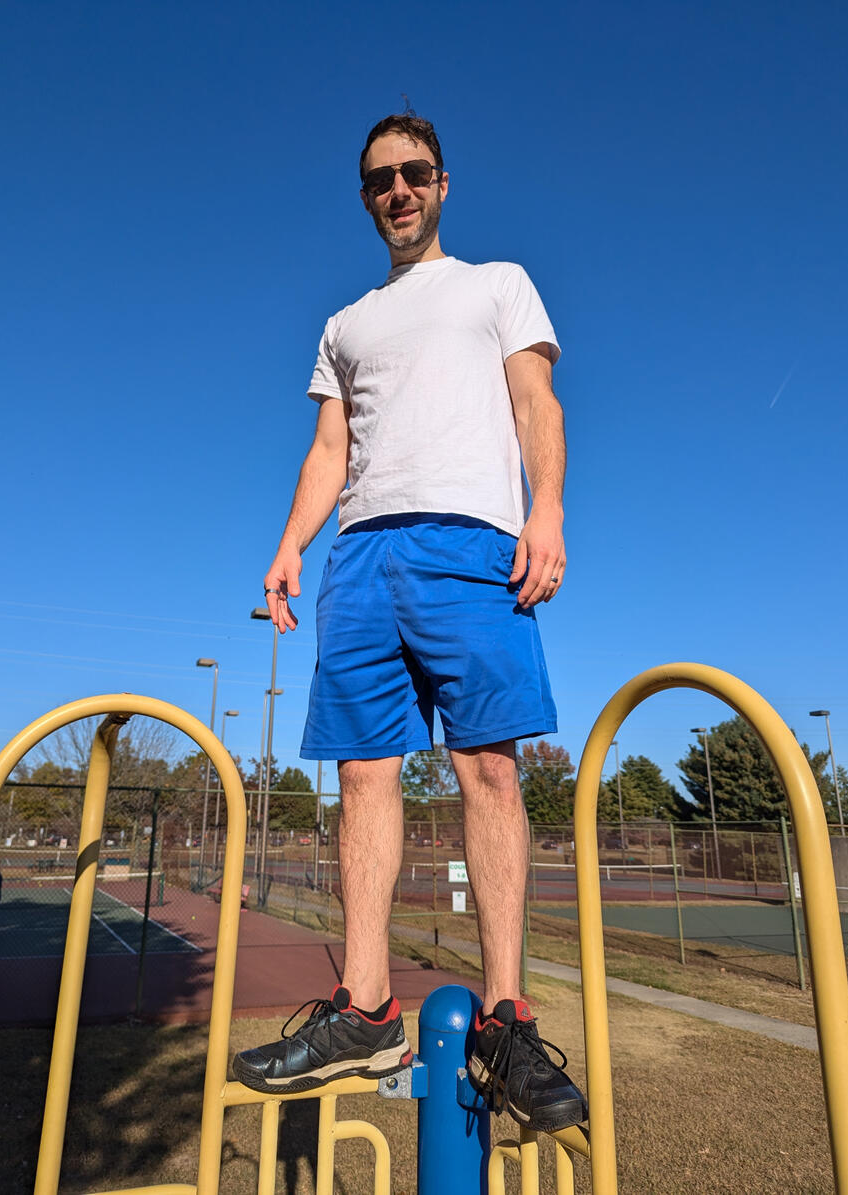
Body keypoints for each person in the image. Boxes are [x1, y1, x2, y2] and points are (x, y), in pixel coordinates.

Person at [234, 113, 586, 1132]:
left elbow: (538, 405)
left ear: (442, 184)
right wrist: (291, 543)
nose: (398, 189)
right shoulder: (344, 324)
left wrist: (548, 511)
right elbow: (329, 450)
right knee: (362, 775)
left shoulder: (497, 284)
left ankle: (506, 1019)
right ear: (365, 198)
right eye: (380, 178)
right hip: (360, 558)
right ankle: (366, 1008)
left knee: (489, 769)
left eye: (414, 172)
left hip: (471, 544)